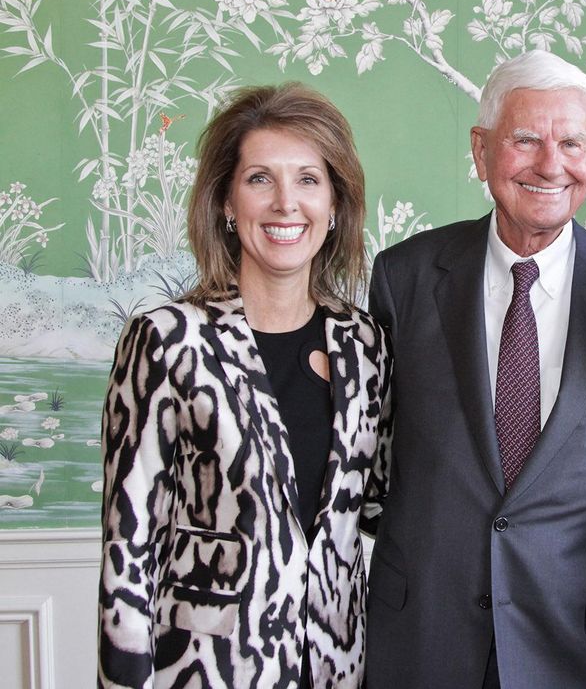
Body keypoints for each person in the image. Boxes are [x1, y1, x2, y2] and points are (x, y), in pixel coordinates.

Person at [363, 49, 586, 688]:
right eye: (526, 140)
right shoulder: (402, 279)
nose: (550, 164)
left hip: (578, 652)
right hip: (423, 644)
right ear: (481, 149)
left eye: (571, 142)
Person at [97, 83, 392, 688]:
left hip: (338, 667)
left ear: (335, 204)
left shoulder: (366, 345)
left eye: (308, 180)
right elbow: (128, 544)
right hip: (207, 670)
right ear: (228, 203)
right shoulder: (166, 340)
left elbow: (385, 509)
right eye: (261, 179)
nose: (286, 204)